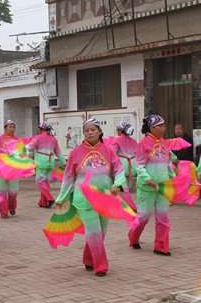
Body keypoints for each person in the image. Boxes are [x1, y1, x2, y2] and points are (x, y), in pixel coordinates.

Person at [55, 118, 125, 276]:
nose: (90, 132)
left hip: (105, 197)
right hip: (84, 198)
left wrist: (118, 184)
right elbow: (68, 177)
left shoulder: (108, 151)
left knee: (101, 233)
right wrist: (61, 197)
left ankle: (88, 258)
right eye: (86, 130)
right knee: (94, 232)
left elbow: (119, 169)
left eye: (93, 130)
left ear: (100, 132)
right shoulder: (76, 152)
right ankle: (101, 266)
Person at [128, 115, 175, 255]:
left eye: (163, 125)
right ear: (151, 127)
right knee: (143, 216)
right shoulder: (143, 144)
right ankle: (133, 236)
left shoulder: (164, 142)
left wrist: (173, 177)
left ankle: (160, 246)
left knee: (163, 217)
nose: (163, 128)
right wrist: (147, 178)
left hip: (163, 186)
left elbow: (167, 163)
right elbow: (139, 165)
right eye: (159, 126)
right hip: (147, 187)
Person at [26, 122, 65, 208]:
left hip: (41, 163)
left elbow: (29, 147)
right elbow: (58, 153)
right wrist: (64, 163)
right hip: (50, 163)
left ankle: (50, 199)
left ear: (41, 129)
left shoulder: (38, 138)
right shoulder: (53, 139)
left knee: (39, 182)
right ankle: (43, 202)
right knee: (46, 183)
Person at [0, 120, 20, 218]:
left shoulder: (18, 140)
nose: (12, 129)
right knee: (2, 191)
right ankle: (4, 212)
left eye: (13, 127)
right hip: (2, 169)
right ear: (5, 128)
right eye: (10, 127)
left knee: (14, 191)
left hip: (14, 169)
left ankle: (12, 206)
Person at [110, 122, 138, 209]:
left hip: (121, 167)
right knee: (127, 187)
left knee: (122, 188)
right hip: (132, 167)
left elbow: (112, 154)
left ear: (119, 131)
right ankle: (120, 206)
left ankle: (131, 207)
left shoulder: (117, 140)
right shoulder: (134, 141)